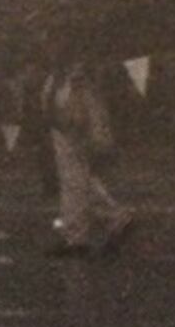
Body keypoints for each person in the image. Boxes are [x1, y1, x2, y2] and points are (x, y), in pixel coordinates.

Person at [41, 44, 134, 257]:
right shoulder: (60, 79)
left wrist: (76, 132)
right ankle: (108, 221)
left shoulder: (76, 81)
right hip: (66, 135)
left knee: (76, 183)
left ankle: (80, 234)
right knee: (80, 183)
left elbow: (78, 113)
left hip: (74, 136)